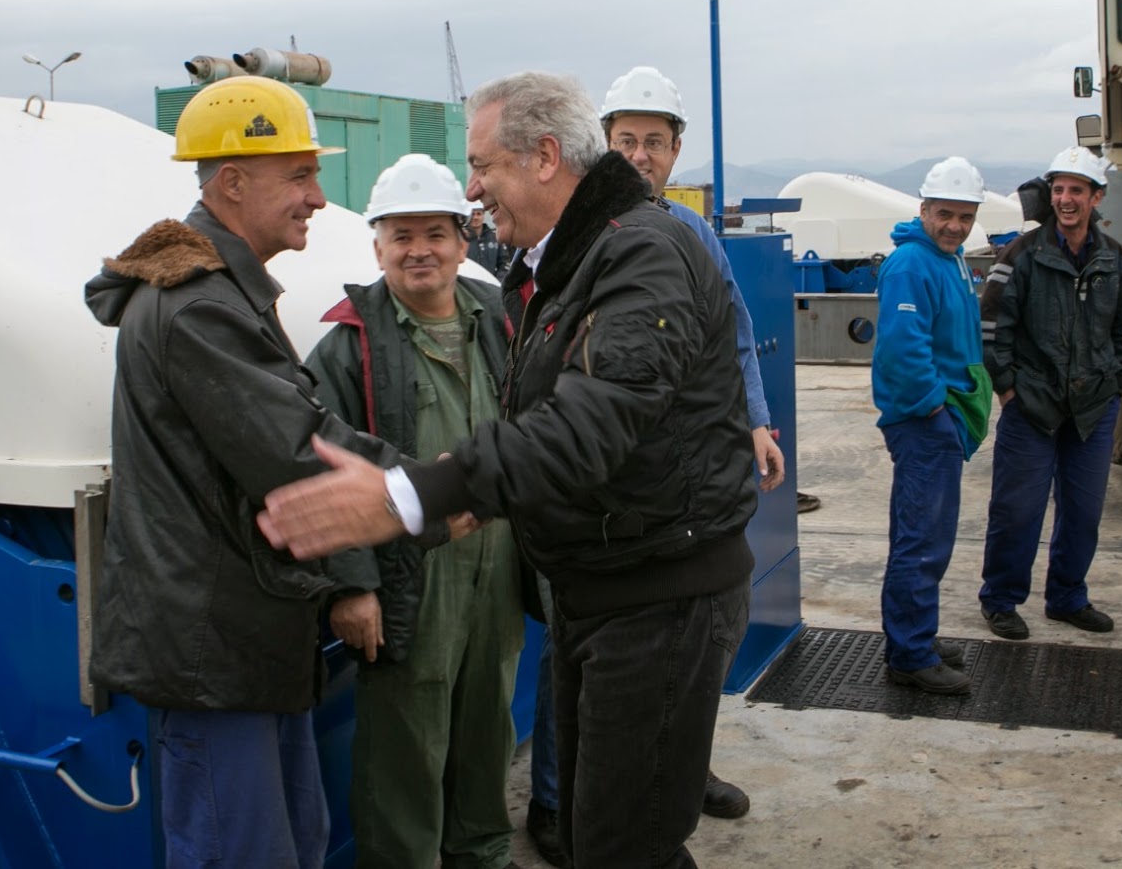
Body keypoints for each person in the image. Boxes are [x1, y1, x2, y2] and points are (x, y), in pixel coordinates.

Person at [260, 70, 757, 869]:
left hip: (658, 599)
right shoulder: (572, 259)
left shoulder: (639, 252)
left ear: (546, 157)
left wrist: (418, 492)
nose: (475, 187)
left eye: (484, 165)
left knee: (625, 846)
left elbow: (590, 423)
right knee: (611, 836)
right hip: (602, 593)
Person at [83, 76, 457, 868]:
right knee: (242, 852)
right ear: (231, 182)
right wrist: (438, 487)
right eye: (299, 175)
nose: (319, 197)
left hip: (244, 642)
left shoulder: (223, 293)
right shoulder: (198, 307)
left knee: (292, 844)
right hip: (213, 652)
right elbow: (298, 448)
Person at [507, 65, 779, 860]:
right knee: (582, 674)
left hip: (655, 526)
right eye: (625, 139)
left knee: (657, 685)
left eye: (653, 142)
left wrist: (754, 419)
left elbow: (730, 332)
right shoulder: (568, 244)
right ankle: (561, 801)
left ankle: (665, 783)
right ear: (598, 145)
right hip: (594, 524)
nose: (640, 153)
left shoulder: (679, 237)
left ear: (675, 149)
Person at [303, 154, 524, 869]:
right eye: (401, 235)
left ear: (464, 240)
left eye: (435, 231)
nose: (418, 249)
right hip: (408, 579)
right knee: (406, 748)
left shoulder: (502, 321)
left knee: (488, 727)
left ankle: (483, 854)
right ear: (376, 245)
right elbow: (321, 473)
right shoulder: (348, 345)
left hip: (499, 570)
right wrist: (351, 583)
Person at [978, 146, 1122, 640]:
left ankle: (1068, 597)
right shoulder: (1022, 255)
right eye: (1059, 190)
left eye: (1076, 190)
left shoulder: (1115, 258)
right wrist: (1007, 390)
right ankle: (1001, 599)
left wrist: (1114, 383)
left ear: (1097, 197)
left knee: (1084, 510)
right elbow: (992, 327)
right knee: (1017, 510)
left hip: (1092, 407)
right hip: (1032, 405)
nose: (1066, 199)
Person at [871, 156, 993, 696]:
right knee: (921, 540)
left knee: (928, 537)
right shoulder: (910, 265)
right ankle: (910, 655)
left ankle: (917, 634)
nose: (955, 227)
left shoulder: (951, 260)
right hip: (924, 424)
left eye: (965, 217)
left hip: (941, 422)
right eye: (945, 214)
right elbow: (903, 348)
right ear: (923, 209)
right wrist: (933, 409)